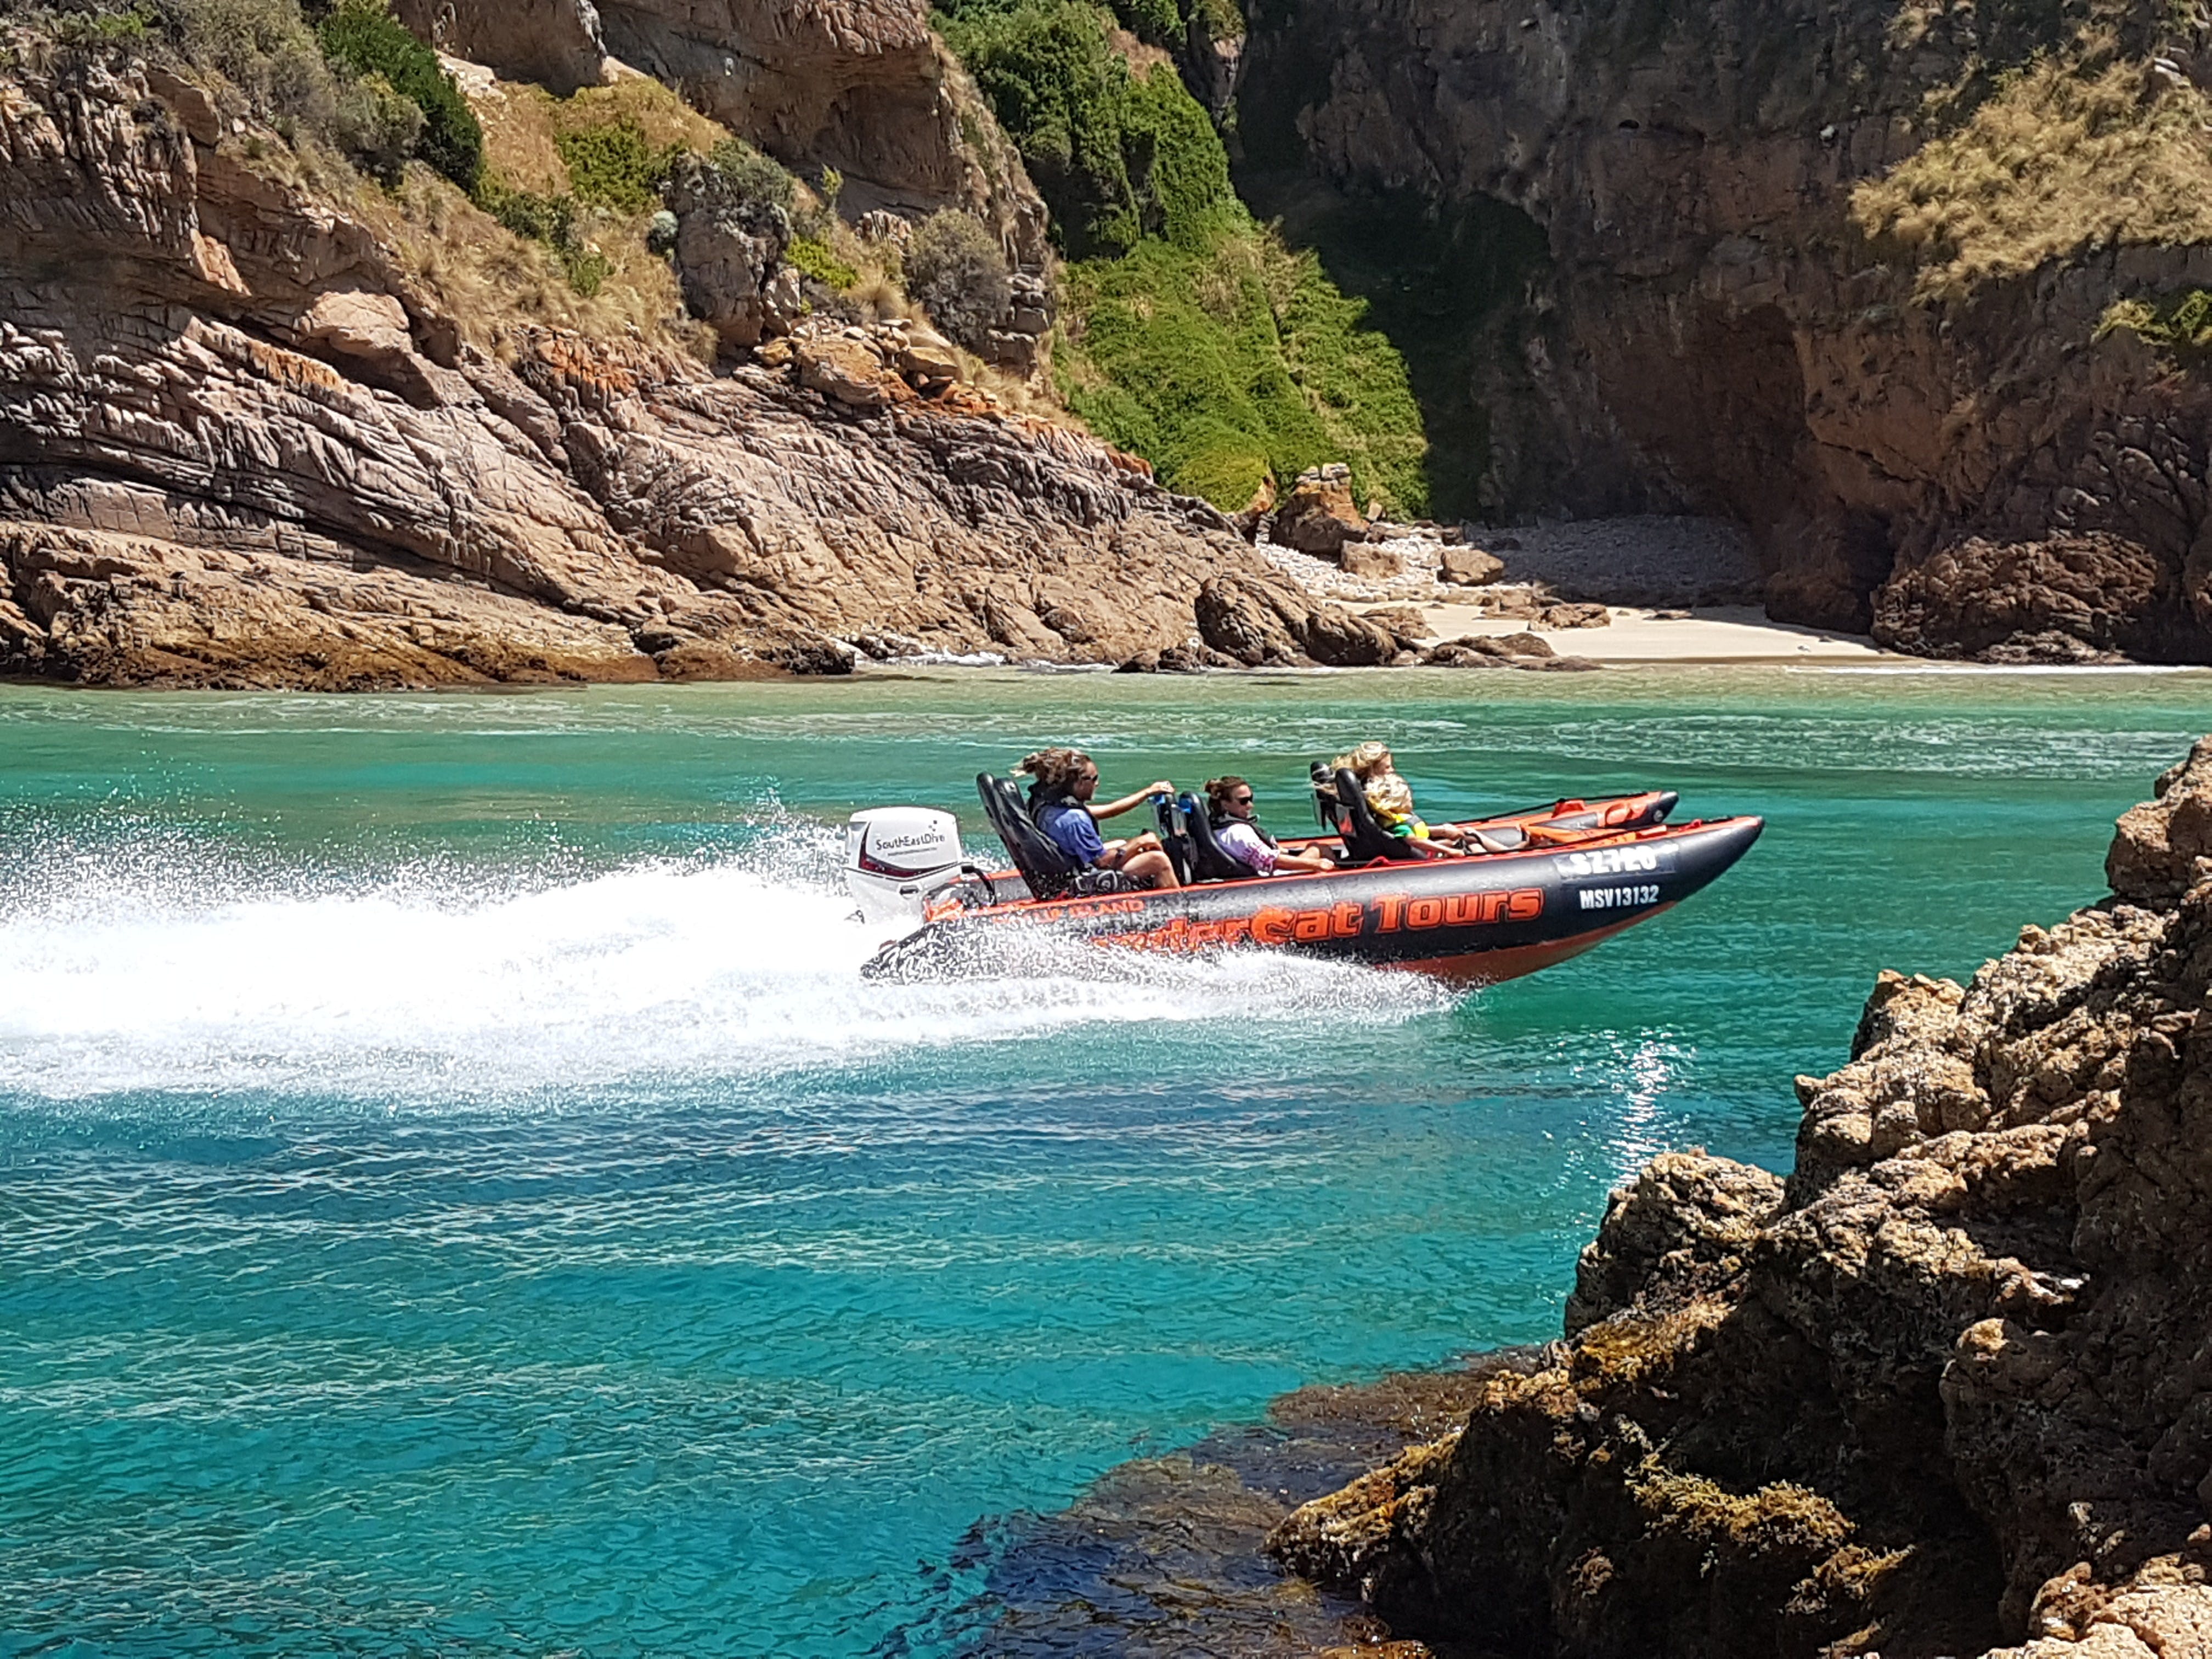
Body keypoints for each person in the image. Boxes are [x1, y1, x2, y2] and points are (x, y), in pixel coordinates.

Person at [1015, 747, 1181, 890]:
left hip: (1066, 869)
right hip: (1080, 881)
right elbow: (1102, 862)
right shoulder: (1074, 819)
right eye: (1094, 779)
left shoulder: (1051, 807)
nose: (1097, 784)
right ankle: (1180, 911)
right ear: (1078, 783)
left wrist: (1148, 792)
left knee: (1121, 844)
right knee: (1158, 860)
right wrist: (1140, 842)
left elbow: (1110, 810)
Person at [1330, 741, 1470, 847]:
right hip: (1403, 848)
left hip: (1396, 842)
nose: (1392, 770)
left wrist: (1441, 831)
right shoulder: (1378, 797)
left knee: (1462, 835)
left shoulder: (1360, 795)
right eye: (1387, 767)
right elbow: (1398, 834)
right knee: (1470, 837)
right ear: (1372, 769)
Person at [1204, 777, 1335, 876]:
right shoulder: (1237, 832)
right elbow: (1270, 861)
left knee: (1313, 847)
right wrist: (1317, 864)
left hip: (1265, 872)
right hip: (1274, 881)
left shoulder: (1220, 828)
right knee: (1320, 850)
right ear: (1225, 804)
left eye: (1251, 799)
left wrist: (1291, 852)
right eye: (1243, 801)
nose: (1250, 806)